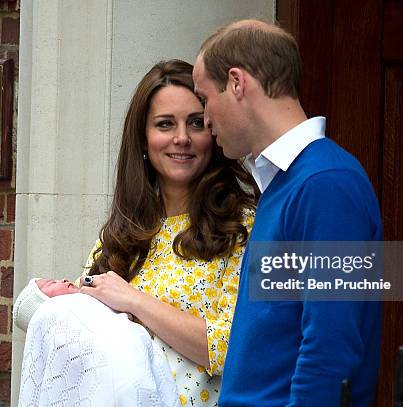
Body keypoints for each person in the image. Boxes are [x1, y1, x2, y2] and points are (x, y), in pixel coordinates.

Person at [192, 20, 382, 406]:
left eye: (204, 98)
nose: (205, 120)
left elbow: (331, 347)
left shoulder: (326, 183)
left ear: (236, 83)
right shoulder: (285, 183)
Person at [77, 59, 257, 406]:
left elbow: (229, 349)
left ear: (213, 130)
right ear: (143, 141)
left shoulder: (243, 227)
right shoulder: (120, 235)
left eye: (195, 123)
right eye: (165, 124)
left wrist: (134, 301)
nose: (181, 138)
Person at [13, 278, 179, 407]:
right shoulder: (55, 315)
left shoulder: (92, 300)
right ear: (41, 304)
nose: (63, 279)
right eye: (52, 283)